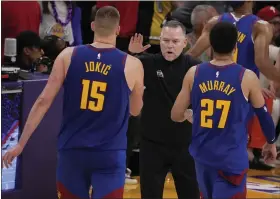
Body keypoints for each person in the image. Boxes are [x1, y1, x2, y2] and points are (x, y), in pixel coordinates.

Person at [2, 6, 144, 199]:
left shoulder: (68, 55)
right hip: (109, 154)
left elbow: (43, 101)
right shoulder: (132, 64)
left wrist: (20, 145)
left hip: (72, 151)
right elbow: (135, 111)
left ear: (92, 25)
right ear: (118, 29)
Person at [171, 21, 277, 198]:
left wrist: (190, 116)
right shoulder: (247, 77)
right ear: (235, 47)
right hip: (231, 160)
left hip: (202, 158)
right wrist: (271, 142)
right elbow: (264, 115)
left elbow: (175, 115)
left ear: (211, 45)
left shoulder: (194, 73)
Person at [129, 20, 200, 199]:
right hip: (152, 145)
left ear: (185, 43)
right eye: (165, 40)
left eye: (175, 42)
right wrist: (131, 55)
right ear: (159, 41)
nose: (170, 46)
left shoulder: (195, 67)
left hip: (186, 146)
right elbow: (119, 71)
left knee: (190, 193)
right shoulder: (146, 63)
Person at [187, 1, 280, 84]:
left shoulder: (215, 22)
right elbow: (261, 62)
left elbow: (191, 54)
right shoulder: (260, 26)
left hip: (218, 86)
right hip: (244, 87)